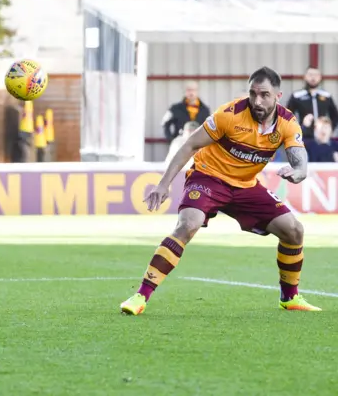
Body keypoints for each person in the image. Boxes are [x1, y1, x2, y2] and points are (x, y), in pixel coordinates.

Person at [120, 66, 320, 315]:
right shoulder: (229, 114)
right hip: (209, 177)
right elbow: (191, 144)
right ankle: (140, 296)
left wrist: (299, 172)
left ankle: (289, 298)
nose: (257, 101)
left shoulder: (287, 122)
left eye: (264, 95)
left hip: (245, 186)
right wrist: (164, 184)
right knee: (188, 224)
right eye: (253, 93)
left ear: (277, 97)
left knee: (294, 230)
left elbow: (300, 161)